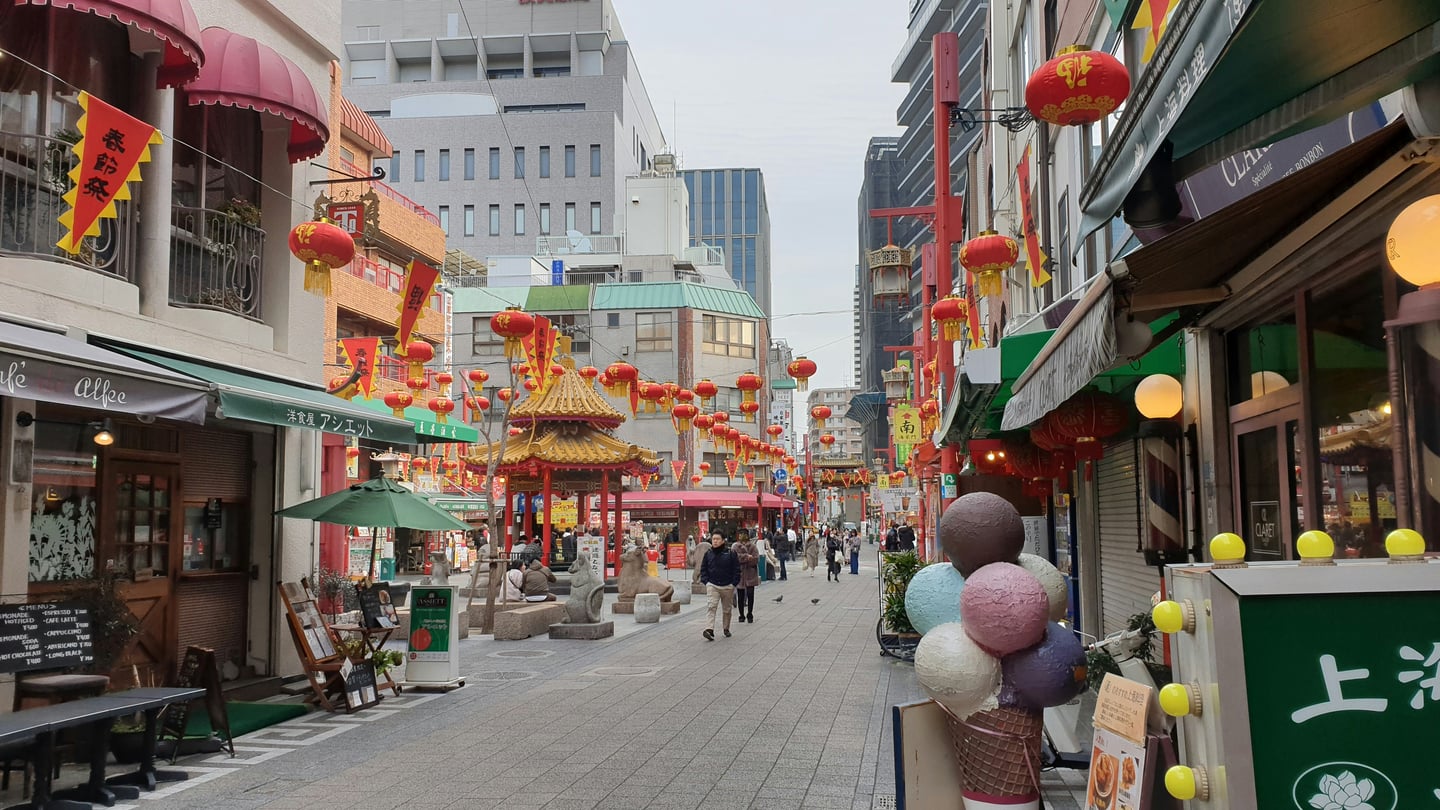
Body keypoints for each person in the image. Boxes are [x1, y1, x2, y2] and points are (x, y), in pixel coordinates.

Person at [699, 532, 740, 640]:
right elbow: (703, 569)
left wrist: (733, 583)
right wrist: (706, 581)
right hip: (712, 585)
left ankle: (726, 628)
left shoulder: (731, 553)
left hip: (727, 586)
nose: (715, 541)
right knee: (711, 606)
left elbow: (737, 569)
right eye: (713, 539)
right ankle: (709, 629)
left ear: (723, 540)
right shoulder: (708, 554)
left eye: (717, 539)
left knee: (727, 610)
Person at [732, 531, 759, 624]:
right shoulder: (735, 546)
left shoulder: (753, 546)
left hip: (751, 573)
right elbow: (734, 558)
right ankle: (741, 614)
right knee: (740, 595)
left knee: (751, 594)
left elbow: (755, 559)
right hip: (740, 574)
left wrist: (746, 559)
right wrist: (747, 557)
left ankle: (750, 613)